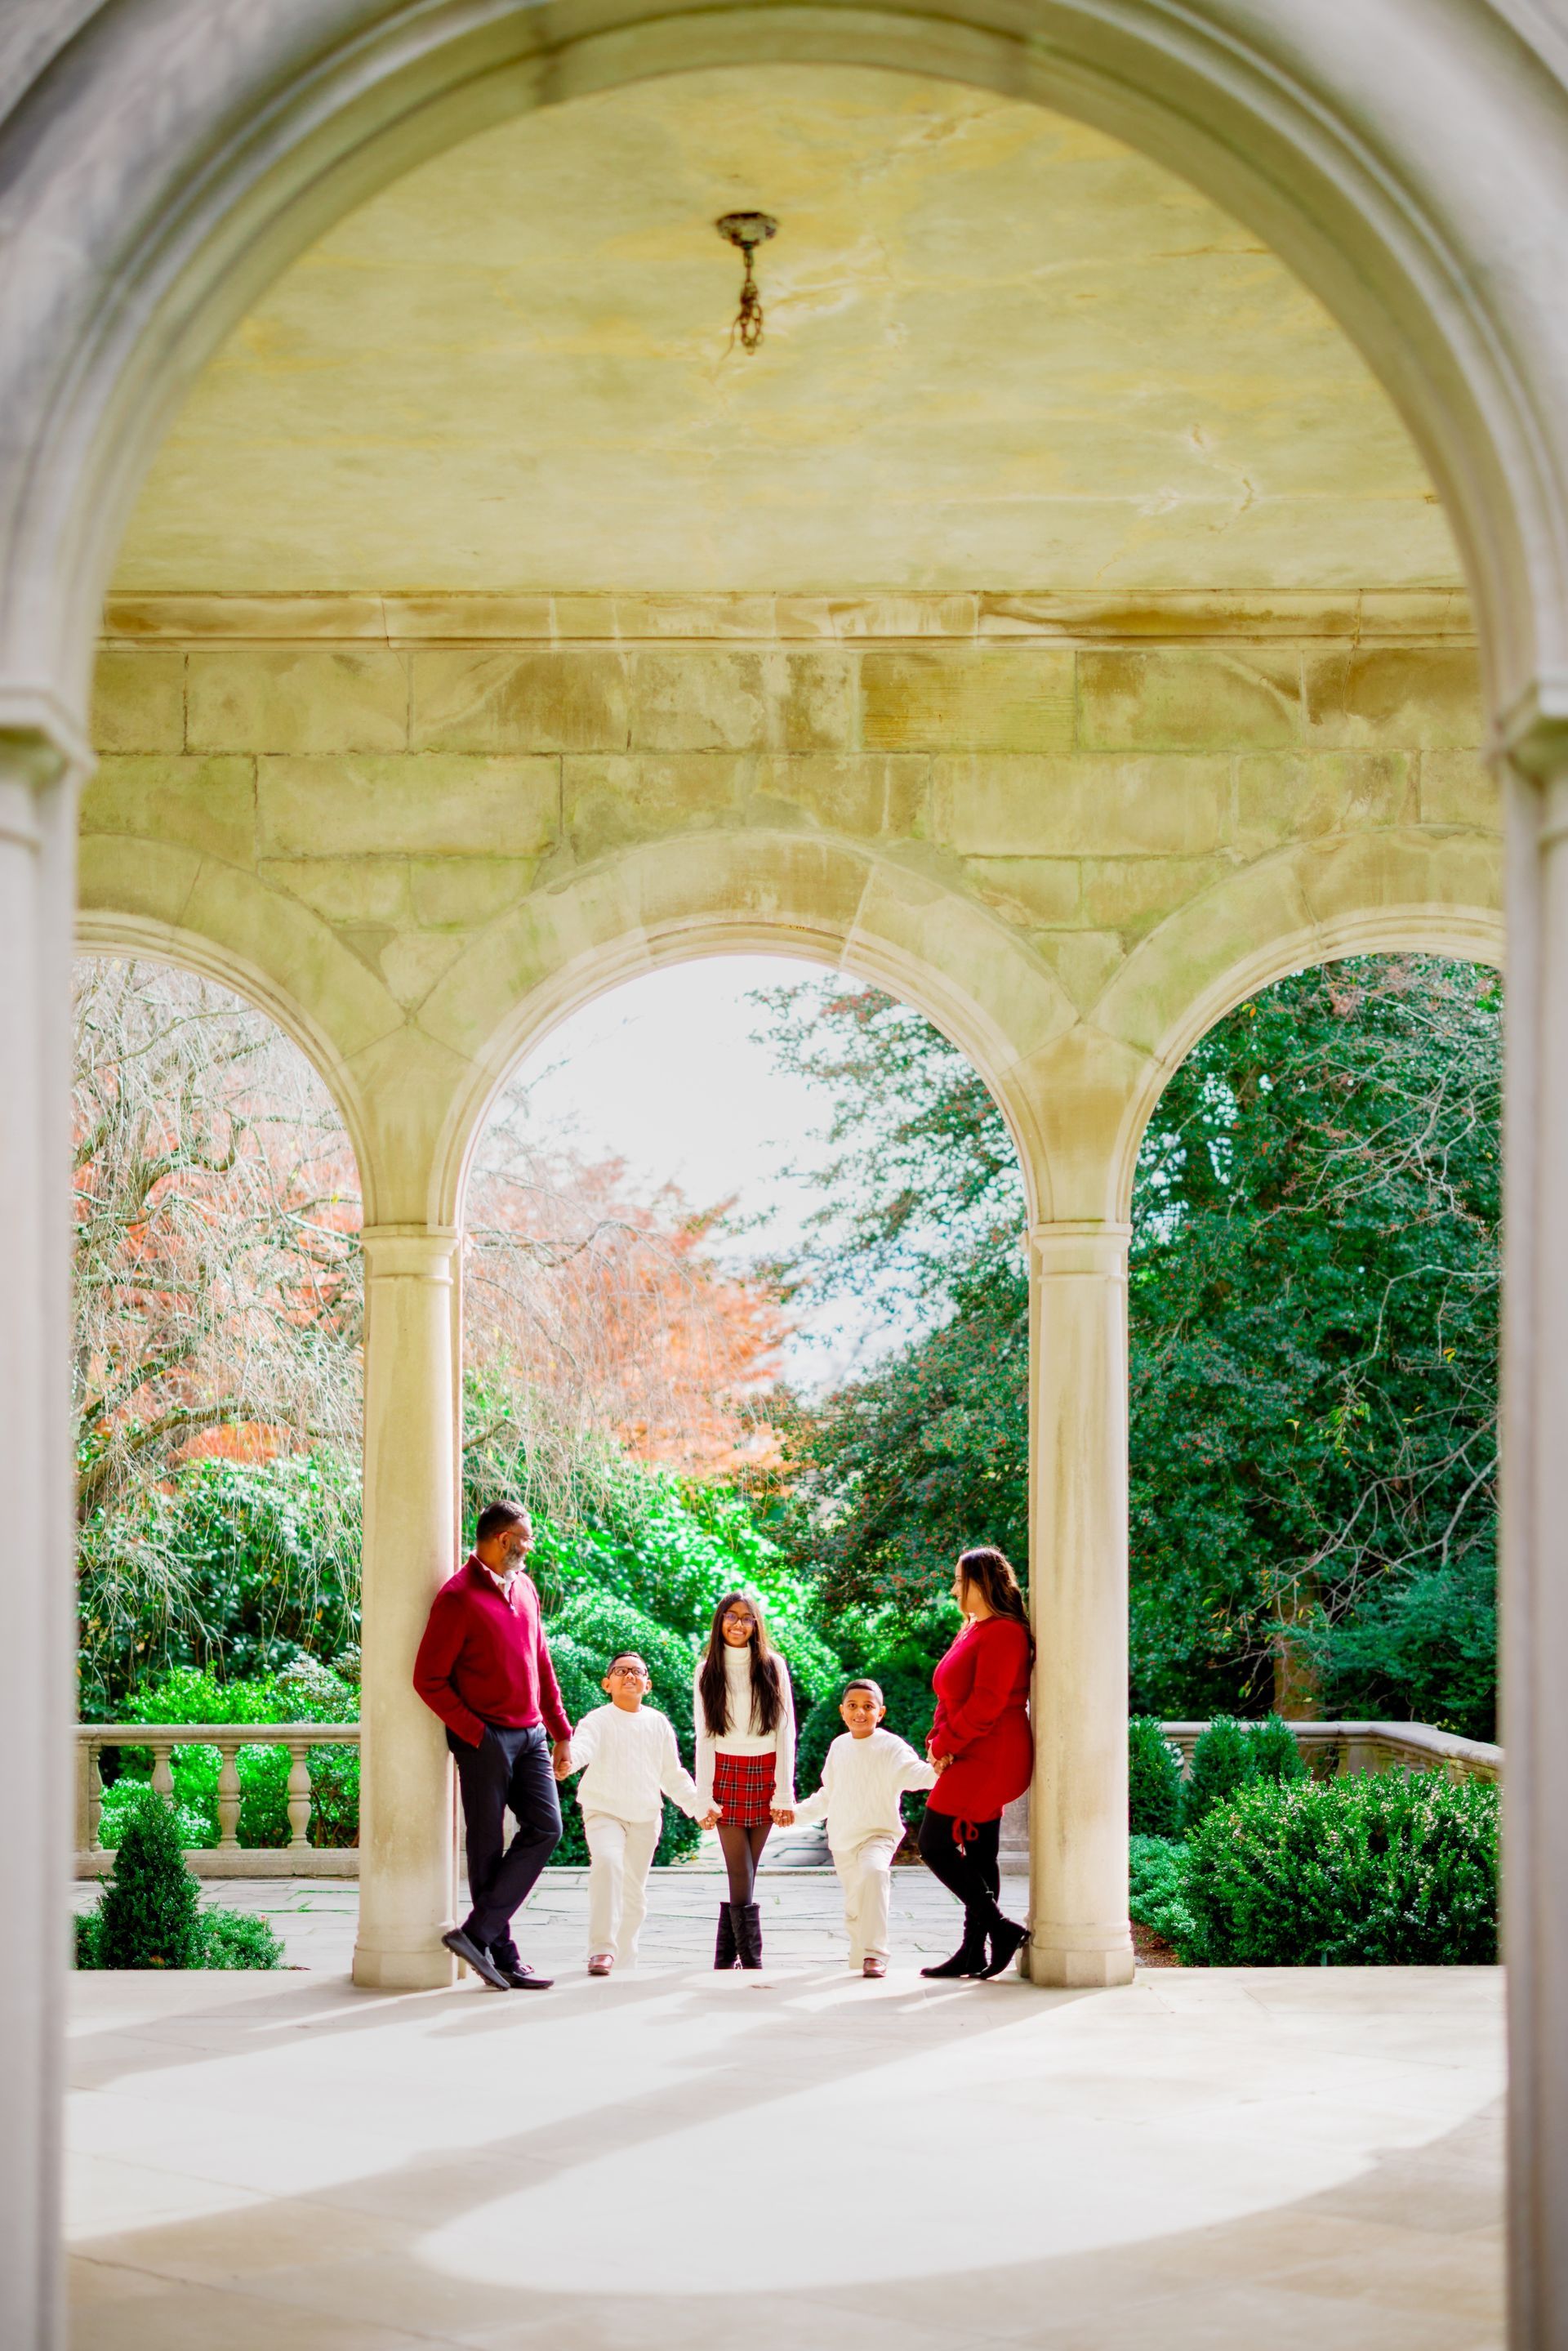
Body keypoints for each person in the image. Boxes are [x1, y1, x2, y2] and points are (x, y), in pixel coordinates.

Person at [412, 1498, 571, 1992]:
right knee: (486, 1845)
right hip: (485, 1738)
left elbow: (539, 1663)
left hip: (531, 1735)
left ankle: (477, 1934)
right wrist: (476, 1733)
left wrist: (560, 1730)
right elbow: (428, 1679)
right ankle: (502, 1954)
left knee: (547, 1828)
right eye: (525, 1538)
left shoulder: (525, 1588)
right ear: (503, 1539)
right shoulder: (457, 1597)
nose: (530, 1546)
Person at [558, 1649, 719, 1975]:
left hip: (645, 1817)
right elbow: (581, 1747)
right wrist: (567, 1762)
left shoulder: (657, 1723)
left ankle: (626, 1958)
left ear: (648, 1684)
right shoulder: (597, 1720)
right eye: (620, 1671)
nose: (629, 1676)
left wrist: (698, 1807)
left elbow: (671, 1774)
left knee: (633, 1891)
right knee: (607, 1862)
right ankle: (602, 1950)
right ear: (607, 1683)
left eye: (637, 1671)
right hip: (603, 1812)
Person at [919, 1546, 1033, 1981]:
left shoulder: (1005, 1632)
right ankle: (972, 1952)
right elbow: (951, 1696)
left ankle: (999, 1929)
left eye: (959, 1581)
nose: (953, 1589)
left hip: (996, 1752)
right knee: (981, 1848)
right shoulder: (972, 1629)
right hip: (969, 1747)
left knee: (934, 1842)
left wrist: (948, 1742)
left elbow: (987, 1703)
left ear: (980, 1584)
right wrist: (937, 1741)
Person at [792, 1678, 936, 1977]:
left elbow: (915, 1773)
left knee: (874, 1874)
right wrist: (793, 1815)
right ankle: (860, 1958)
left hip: (879, 1834)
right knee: (856, 1905)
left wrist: (939, 1768)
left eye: (868, 1707)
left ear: (880, 1713)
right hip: (844, 1839)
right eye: (853, 1706)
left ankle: (875, 1955)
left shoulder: (891, 1746)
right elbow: (828, 1795)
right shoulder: (839, 1746)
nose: (860, 1713)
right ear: (842, 1711)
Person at [694, 1590, 796, 1970]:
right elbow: (704, 1735)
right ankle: (749, 1959)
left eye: (746, 1618)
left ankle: (728, 1957)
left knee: (750, 1865)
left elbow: (786, 1731)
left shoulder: (773, 1666)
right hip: (726, 1772)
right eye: (731, 1616)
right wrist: (705, 1796)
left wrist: (783, 1792)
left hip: (766, 1772)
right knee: (739, 1867)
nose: (738, 1624)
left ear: (756, 1625)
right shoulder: (707, 1670)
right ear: (720, 1621)